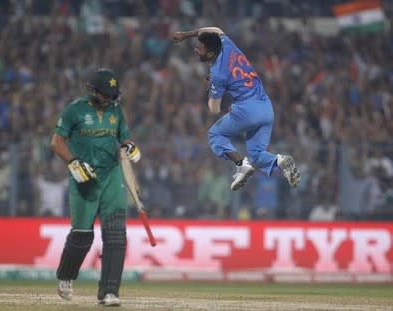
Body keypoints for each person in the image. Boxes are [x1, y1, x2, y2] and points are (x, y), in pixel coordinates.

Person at [51, 68, 141, 306]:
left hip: (111, 175)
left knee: (116, 236)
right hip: (85, 177)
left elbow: (125, 138)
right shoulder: (75, 110)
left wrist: (131, 148)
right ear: (92, 91)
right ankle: (66, 275)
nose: (110, 99)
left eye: (113, 95)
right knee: (82, 235)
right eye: (106, 94)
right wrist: (72, 162)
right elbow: (56, 141)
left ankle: (109, 292)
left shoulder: (116, 110)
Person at [171, 27, 300, 190]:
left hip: (247, 111)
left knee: (215, 134)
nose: (196, 50)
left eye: (200, 48)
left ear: (211, 54)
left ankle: (241, 164)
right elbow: (216, 29)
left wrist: (211, 87)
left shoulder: (218, 74)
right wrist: (185, 34)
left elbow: (214, 109)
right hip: (266, 107)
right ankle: (280, 161)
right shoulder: (227, 44)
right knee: (257, 156)